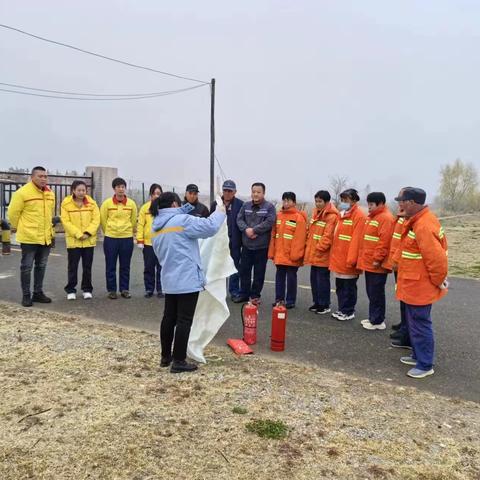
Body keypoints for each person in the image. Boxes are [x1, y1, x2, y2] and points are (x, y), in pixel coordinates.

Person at [150, 192, 226, 373]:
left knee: (169, 318)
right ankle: (179, 361)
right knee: (184, 320)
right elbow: (209, 227)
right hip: (187, 279)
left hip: (169, 279)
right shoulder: (182, 221)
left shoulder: (156, 227)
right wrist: (220, 211)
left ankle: (165, 356)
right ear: (175, 204)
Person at [392, 187, 448, 379]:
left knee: (420, 324)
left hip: (420, 285)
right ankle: (417, 355)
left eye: (403, 201)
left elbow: (437, 260)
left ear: (413, 203)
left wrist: (439, 281)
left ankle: (425, 364)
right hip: (411, 283)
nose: (400, 204)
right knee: (413, 322)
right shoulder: (416, 221)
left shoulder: (423, 225)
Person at [7, 166, 55, 307]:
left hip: (45, 236)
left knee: (41, 265)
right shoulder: (22, 193)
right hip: (29, 236)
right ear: (32, 177)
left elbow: (49, 214)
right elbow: (13, 213)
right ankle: (26, 295)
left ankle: (38, 293)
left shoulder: (50, 193)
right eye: (40, 176)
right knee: (27, 267)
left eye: (45, 176)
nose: (43, 179)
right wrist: (18, 227)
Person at [352, 192, 395, 330]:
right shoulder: (373, 217)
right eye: (368, 204)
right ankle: (373, 317)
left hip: (376, 263)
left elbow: (384, 242)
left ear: (381, 204)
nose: (369, 207)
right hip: (370, 261)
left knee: (376, 292)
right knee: (371, 292)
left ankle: (377, 321)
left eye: (371, 204)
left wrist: (377, 259)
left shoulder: (385, 218)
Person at [235, 182, 276, 304]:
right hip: (247, 246)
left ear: (263, 193)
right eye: (254, 192)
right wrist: (246, 229)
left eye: (258, 192)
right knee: (244, 272)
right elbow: (239, 219)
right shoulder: (246, 205)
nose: (256, 194)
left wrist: (254, 230)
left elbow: (270, 221)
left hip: (261, 247)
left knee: (259, 273)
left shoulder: (269, 207)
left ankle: (255, 296)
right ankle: (244, 294)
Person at [329, 188, 366, 321]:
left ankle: (348, 310)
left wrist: (352, 259)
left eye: (347, 200)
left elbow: (357, 240)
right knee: (340, 286)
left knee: (348, 287)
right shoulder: (342, 214)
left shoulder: (359, 216)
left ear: (354, 200)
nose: (344, 202)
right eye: (342, 200)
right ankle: (341, 308)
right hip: (338, 256)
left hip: (348, 258)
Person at [60, 180, 100, 300]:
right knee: (73, 266)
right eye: (79, 190)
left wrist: (88, 233)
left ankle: (87, 289)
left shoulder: (92, 203)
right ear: (73, 190)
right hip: (74, 241)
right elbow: (65, 221)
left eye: (83, 190)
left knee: (87, 267)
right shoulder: (66, 204)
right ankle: (71, 290)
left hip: (89, 240)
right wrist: (78, 234)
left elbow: (96, 220)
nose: (82, 192)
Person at [100, 177, 138, 299]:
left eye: (123, 187)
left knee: (125, 265)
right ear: (114, 189)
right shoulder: (107, 203)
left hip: (126, 238)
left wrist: (127, 231)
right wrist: (110, 232)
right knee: (110, 265)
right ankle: (111, 290)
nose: (121, 189)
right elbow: (103, 220)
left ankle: (124, 289)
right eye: (118, 187)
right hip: (111, 238)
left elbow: (133, 221)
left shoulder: (131, 204)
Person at [268, 192, 307, 309]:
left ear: (294, 202)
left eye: (288, 200)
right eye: (284, 200)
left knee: (291, 278)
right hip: (280, 254)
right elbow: (274, 235)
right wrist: (272, 251)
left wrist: (296, 255)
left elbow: (300, 238)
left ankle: (290, 300)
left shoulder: (299, 217)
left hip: (292, 255)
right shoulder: (278, 216)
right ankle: (279, 299)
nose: (286, 203)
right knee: (279, 278)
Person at [304, 190, 339, 314]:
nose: (317, 204)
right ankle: (317, 302)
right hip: (314, 253)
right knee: (314, 280)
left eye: (320, 201)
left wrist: (319, 248)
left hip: (322, 254)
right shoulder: (316, 213)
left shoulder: (332, 216)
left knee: (322, 281)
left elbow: (328, 236)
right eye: (316, 201)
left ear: (327, 202)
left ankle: (324, 304)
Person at [383, 189, 411, 349]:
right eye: (399, 199)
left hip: (403, 264)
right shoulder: (400, 216)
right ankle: (403, 325)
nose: (399, 202)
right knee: (401, 295)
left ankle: (407, 330)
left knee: (407, 299)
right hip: (396, 262)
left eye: (402, 199)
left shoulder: (409, 218)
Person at [210, 180, 244, 299]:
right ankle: (218, 293)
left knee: (234, 268)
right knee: (218, 267)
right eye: (225, 190)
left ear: (235, 192)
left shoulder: (240, 205)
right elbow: (211, 222)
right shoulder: (215, 204)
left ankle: (234, 291)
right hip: (219, 242)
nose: (227, 193)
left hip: (234, 242)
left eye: (230, 191)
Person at [137, 183, 163, 298]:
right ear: (151, 195)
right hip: (148, 243)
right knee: (149, 267)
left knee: (161, 267)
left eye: (158, 193)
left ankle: (161, 289)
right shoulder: (144, 208)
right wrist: (140, 240)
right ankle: (149, 289)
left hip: (162, 243)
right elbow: (140, 225)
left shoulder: (164, 208)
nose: (156, 196)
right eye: (154, 193)